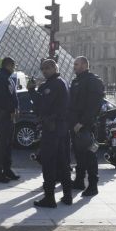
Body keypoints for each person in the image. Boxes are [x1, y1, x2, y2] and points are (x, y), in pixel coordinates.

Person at [28, 59, 72, 208]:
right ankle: (67, 195)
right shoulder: (61, 82)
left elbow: (41, 107)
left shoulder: (53, 85)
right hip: (62, 129)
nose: (44, 71)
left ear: (54, 68)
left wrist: (32, 92)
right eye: (42, 69)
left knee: (49, 163)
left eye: (47, 68)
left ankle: (49, 198)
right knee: (64, 163)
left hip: (52, 130)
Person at [68, 56, 104, 197]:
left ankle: (93, 186)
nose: (74, 66)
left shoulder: (93, 81)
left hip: (85, 125)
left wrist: (82, 122)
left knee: (89, 156)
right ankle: (79, 180)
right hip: (76, 124)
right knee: (79, 155)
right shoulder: (77, 81)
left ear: (84, 65)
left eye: (76, 64)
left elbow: (94, 105)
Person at [0, 57, 20, 183]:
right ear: (8, 65)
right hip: (3, 115)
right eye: (14, 66)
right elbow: (0, 98)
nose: (14, 69)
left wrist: (16, 108)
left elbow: (13, 96)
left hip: (8, 116)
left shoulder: (7, 78)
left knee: (8, 144)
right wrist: (12, 110)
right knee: (1, 145)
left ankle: (7, 169)